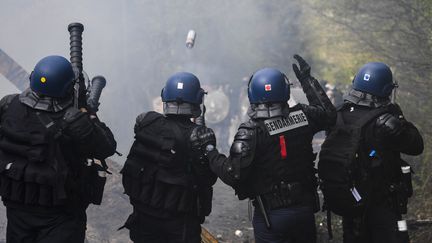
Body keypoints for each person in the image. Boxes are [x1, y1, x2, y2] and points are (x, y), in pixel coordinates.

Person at [191, 55, 336, 243]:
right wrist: (308, 81)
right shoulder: (304, 116)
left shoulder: (251, 131)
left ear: (252, 94)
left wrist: (210, 151)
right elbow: (329, 115)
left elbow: (233, 174)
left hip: (271, 216)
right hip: (304, 211)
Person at [0, 55, 117, 243]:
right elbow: (107, 147)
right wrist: (90, 114)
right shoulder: (74, 120)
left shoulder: (8, 104)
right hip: (60, 214)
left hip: (17, 207)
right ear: (67, 87)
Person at [121, 72, 217, 243]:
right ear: (198, 100)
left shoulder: (147, 123)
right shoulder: (198, 135)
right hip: (179, 221)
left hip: (144, 215)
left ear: (165, 96)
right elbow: (207, 178)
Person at [336, 62, 423, 243]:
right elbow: (416, 145)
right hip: (384, 203)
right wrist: (398, 116)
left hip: (351, 201)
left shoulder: (341, 115)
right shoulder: (386, 121)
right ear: (385, 90)